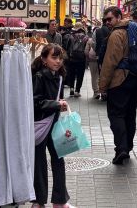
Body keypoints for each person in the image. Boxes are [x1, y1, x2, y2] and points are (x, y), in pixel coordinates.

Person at [31, 44, 73, 208]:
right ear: (44, 59)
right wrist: (56, 104)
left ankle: (60, 201)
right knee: (39, 163)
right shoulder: (39, 76)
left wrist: (60, 104)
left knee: (59, 159)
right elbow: (35, 103)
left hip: (54, 123)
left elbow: (56, 100)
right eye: (54, 57)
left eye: (60, 58)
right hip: (41, 125)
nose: (58, 61)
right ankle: (38, 202)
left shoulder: (60, 76)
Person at [98, 6, 137, 164]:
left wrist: (102, 86)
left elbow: (110, 62)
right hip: (135, 78)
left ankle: (121, 148)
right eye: (105, 20)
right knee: (130, 114)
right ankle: (127, 146)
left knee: (116, 114)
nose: (107, 22)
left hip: (119, 80)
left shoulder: (117, 34)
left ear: (118, 17)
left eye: (110, 19)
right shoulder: (133, 30)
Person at [65, 25, 88, 97]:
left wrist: (69, 56)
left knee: (72, 74)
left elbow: (67, 48)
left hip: (72, 59)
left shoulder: (71, 37)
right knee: (80, 75)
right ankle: (77, 91)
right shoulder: (86, 37)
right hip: (81, 60)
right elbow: (86, 49)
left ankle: (71, 88)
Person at [85, 32, 101, 99]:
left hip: (92, 60)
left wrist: (88, 59)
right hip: (101, 60)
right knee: (101, 76)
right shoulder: (103, 39)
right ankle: (103, 92)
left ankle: (96, 92)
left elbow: (86, 51)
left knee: (94, 76)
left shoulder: (90, 40)